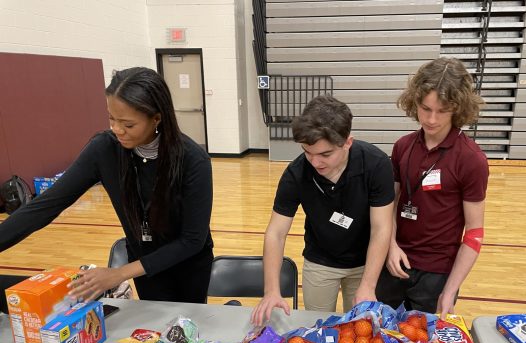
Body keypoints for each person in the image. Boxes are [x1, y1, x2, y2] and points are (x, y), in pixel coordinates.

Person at [0, 67, 214, 303]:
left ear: (157, 118)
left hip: (187, 264)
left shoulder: (193, 160)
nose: (116, 129)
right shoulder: (104, 149)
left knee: (188, 329)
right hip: (142, 259)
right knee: (156, 326)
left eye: (128, 124)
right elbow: (46, 205)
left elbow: (192, 240)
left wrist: (119, 274)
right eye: (111, 118)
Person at [251, 95, 395, 325]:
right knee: (318, 327)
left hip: (365, 262)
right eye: (308, 152)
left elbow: (382, 227)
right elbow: (276, 233)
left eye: (325, 154)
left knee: (360, 329)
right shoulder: (296, 174)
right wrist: (271, 290)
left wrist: (368, 285)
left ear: (348, 142)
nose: (315, 162)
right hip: (320, 262)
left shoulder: (376, 165)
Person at [376, 57, 489, 319]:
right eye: (425, 108)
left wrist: (450, 290)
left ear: (458, 108)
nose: (431, 119)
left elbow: (474, 233)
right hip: (394, 261)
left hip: (437, 274)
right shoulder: (402, 146)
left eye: (442, 111)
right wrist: (390, 246)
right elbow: (389, 206)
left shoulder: (471, 159)